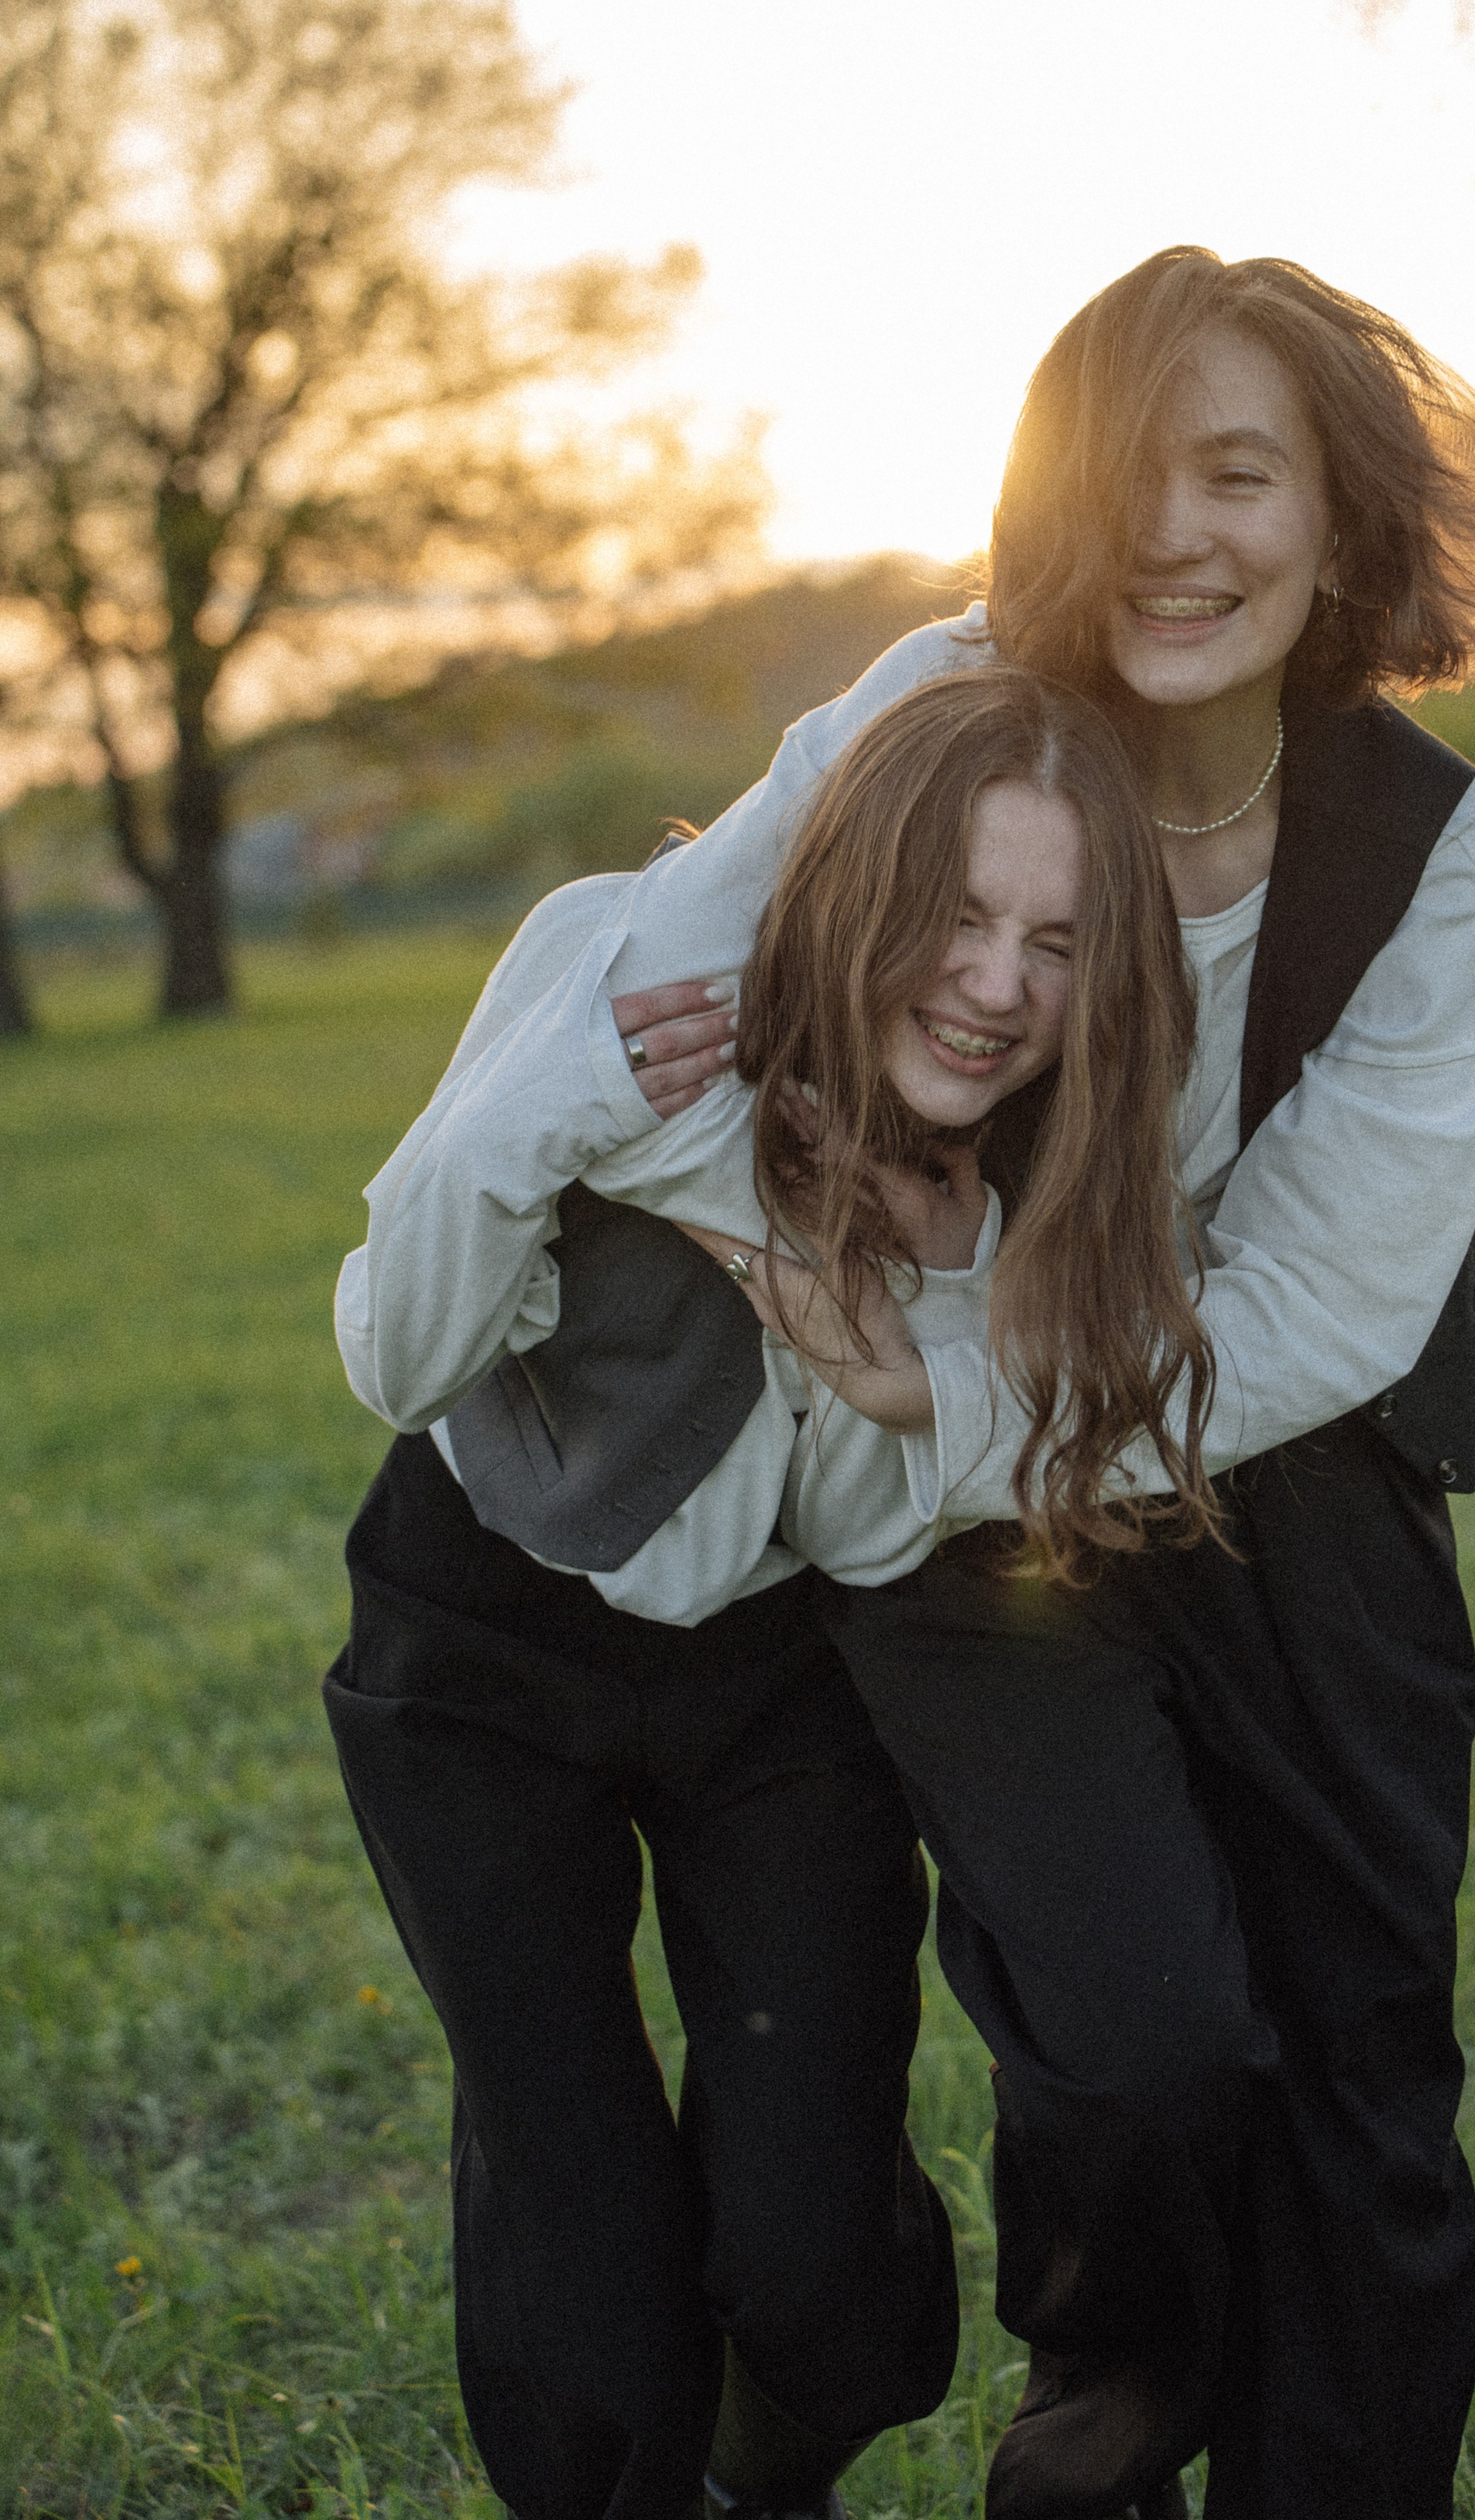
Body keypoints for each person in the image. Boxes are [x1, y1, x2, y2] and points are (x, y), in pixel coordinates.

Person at [605, 246, 1475, 2520]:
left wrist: (951, 1389)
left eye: (1238, 475)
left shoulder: (1441, 857)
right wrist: (777, 1242)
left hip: (1299, 1487)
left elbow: (1327, 1314)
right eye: (1126, 480)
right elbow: (637, 1000)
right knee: (1135, 2053)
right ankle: (1097, 2443)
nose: (1176, 536)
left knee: (1361, 2070)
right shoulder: (934, 714)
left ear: (1335, 517)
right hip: (970, 1521)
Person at [326, 667, 1243, 2520]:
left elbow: (887, 1509)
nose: (997, 985)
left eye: (1054, 945)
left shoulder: (1022, 1190)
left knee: (823, 2275)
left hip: (773, 1665)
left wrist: (921, 1276)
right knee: (580, 2241)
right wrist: (563, 1112)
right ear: (870, 883)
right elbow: (395, 1352)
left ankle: (775, 2457)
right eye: (961, 918)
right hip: (482, 1635)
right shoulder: (614, 976)